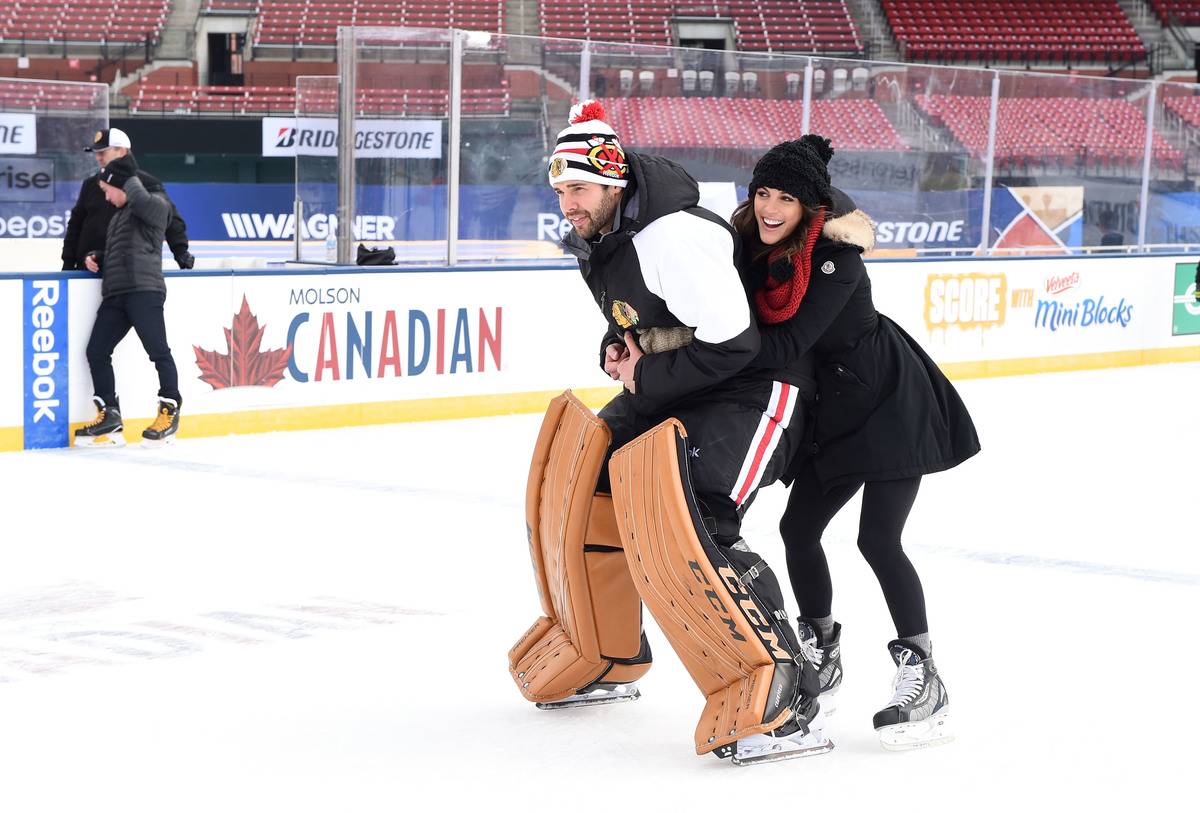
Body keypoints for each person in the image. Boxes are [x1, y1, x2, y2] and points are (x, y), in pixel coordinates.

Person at [515, 101, 828, 765]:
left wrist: (646, 376)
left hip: (751, 388)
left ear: (613, 183)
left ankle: (789, 697)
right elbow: (642, 315)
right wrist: (617, 346)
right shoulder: (605, 234)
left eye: (577, 188)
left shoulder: (670, 235)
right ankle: (607, 650)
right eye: (560, 189)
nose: (566, 202)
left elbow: (736, 343)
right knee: (585, 474)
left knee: (698, 514)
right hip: (687, 377)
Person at [731, 135, 981, 750]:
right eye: (763, 193)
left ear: (808, 207)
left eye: (784, 198)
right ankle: (822, 646)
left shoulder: (838, 260)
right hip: (833, 408)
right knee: (798, 530)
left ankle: (923, 671)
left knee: (878, 538)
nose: (769, 207)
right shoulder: (750, 251)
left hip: (891, 400)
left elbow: (789, 345)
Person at [73, 153, 183, 448]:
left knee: (158, 352)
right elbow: (127, 250)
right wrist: (99, 257)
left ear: (123, 186)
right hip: (117, 294)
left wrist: (124, 175)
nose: (107, 199)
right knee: (96, 350)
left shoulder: (155, 204)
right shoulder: (120, 216)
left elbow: (152, 209)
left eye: (108, 192)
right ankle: (109, 413)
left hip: (144, 292)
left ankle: (169, 411)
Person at [62, 128, 194, 272]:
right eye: (96, 153)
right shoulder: (90, 184)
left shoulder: (147, 183)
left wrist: (180, 252)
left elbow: (171, 219)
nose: (98, 157)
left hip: (127, 272)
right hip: (87, 271)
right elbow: (75, 225)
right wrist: (68, 264)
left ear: (122, 151)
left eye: (102, 152)